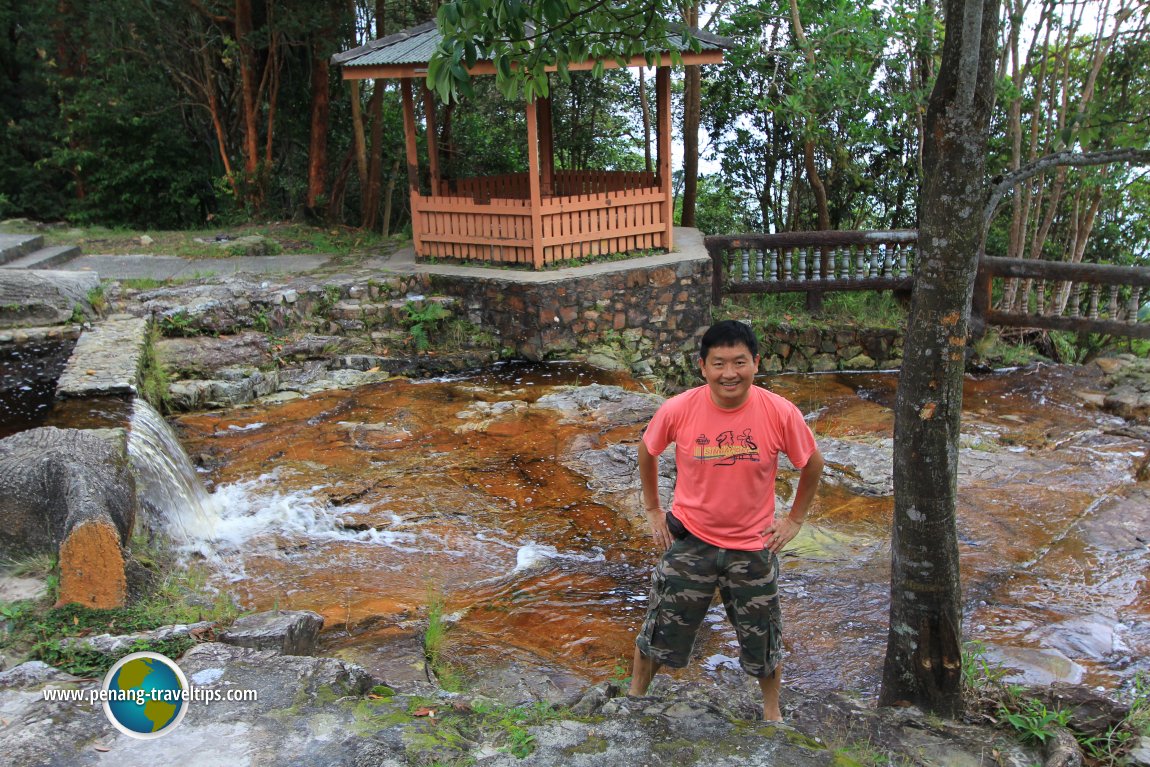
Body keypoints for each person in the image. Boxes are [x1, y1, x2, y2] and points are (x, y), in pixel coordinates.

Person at [628, 319, 824, 721]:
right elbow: (647, 450)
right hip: (690, 542)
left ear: (756, 363)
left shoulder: (779, 412)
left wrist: (795, 519)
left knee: (763, 639)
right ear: (703, 367)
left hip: (752, 547)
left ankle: (773, 715)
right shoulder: (679, 408)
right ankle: (632, 703)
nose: (729, 373)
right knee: (658, 632)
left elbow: (812, 463)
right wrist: (652, 509)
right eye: (719, 363)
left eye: (739, 362)